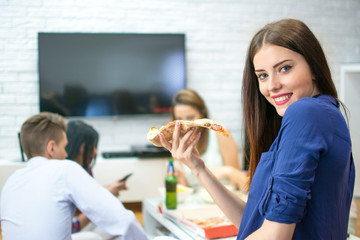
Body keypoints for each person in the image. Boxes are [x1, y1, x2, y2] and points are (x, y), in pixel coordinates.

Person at [159, 18, 355, 239]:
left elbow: (275, 235)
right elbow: (253, 223)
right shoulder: (322, 114)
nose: (272, 85)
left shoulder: (306, 112)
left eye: (285, 68)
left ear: (314, 67)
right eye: (262, 75)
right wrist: (199, 169)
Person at [0, 112, 147, 240]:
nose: (66, 154)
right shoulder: (65, 169)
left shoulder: (12, 180)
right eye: (64, 147)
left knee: (93, 237)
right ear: (51, 148)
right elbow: (123, 221)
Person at [171, 89, 248, 191]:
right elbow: (187, 189)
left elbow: (237, 181)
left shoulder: (219, 133)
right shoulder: (178, 143)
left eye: (190, 118)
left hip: (223, 199)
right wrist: (180, 180)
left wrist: (227, 171)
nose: (186, 125)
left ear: (202, 113)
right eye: (180, 120)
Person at [66, 120, 129, 239]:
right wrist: (107, 196)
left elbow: (89, 193)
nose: (95, 152)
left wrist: (109, 190)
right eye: (91, 147)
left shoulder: (84, 167)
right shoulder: (63, 172)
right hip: (63, 233)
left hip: (75, 227)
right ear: (76, 146)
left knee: (119, 221)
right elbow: (73, 226)